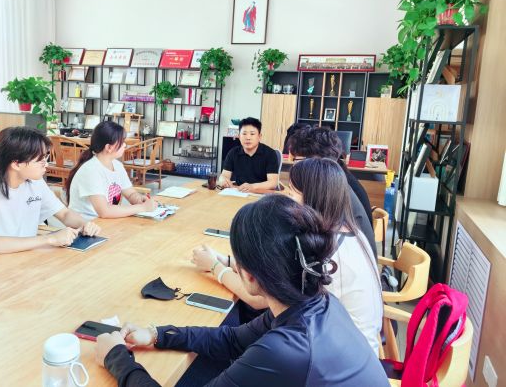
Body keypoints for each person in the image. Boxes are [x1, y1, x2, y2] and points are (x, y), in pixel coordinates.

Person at [95, 195, 388, 386]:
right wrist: (157, 334)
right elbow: (233, 340)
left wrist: (116, 358)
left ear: (247, 275)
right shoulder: (316, 302)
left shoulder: (285, 350)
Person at [0, 127, 101, 263]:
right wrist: (50, 239)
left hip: (17, 258)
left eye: (46, 157)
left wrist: (84, 225)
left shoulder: (35, 182)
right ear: (16, 164)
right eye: (40, 160)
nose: (46, 164)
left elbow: (65, 214)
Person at [288, 158, 383, 354]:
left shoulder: (329, 254)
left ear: (312, 196)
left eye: (292, 192)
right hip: (357, 347)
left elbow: (276, 301)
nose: (288, 199)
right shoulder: (348, 233)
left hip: (345, 358)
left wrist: (221, 270)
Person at [287, 126, 376, 257]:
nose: (293, 166)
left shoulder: (333, 192)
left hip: (345, 262)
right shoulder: (337, 181)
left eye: (296, 160)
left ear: (315, 162)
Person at [67, 121, 156, 220]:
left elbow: (130, 194)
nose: (125, 145)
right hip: (86, 225)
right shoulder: (90, 170)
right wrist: (142, 208)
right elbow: (104, 212)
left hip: (106, 223)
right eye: (122, 142)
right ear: (109, 147)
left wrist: (139, 199)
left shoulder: (117, 166)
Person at [219, 117, 278, 193]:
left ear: (259, 137)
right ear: (239, 136)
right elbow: (224, 175)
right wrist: (223, 180)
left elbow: (273, 183)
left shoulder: (270, 154)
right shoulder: (233, 152)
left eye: (252, 134)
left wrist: (252, 187)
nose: (248, 138)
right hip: (239, 192)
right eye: (244, 134)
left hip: (261, 194)